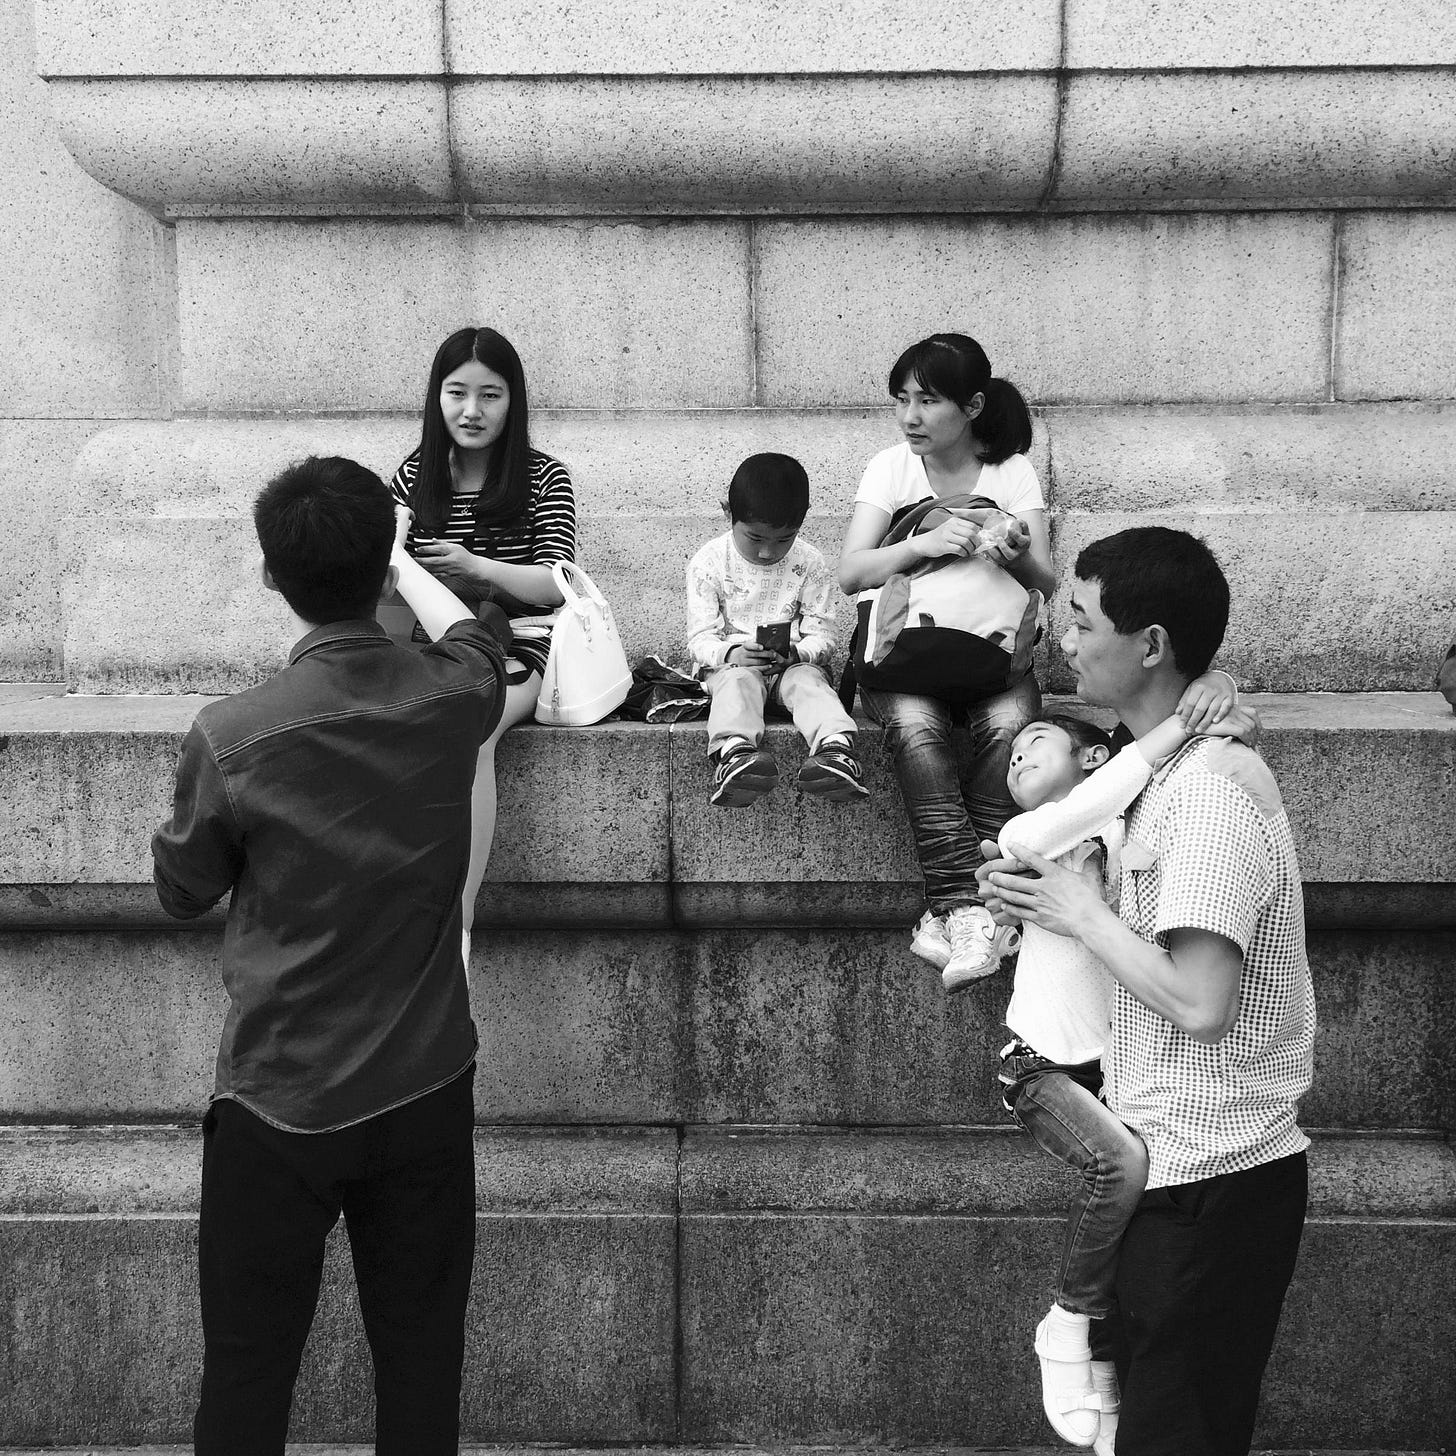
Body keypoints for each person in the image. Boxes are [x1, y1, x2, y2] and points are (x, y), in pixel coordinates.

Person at [151, 456, 513, 1454]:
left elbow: (181, 889)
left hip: (279, 1099)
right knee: (420, 1375)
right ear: (383, 568)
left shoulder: (233, 736)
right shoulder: (451, 698)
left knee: (248, 1375)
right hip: (425, 1084)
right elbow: (479, 637)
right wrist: (408, 565)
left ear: (271, 576)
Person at [982, 526, 1316, 1456]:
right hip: (1175, 1168)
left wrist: (1079, 910)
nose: (1066, 641)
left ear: (1152, 644)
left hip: (1214, 1179)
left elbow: (1201, 1005)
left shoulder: (1206, 793)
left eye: (1082, 621)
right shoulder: (1162, 776)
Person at [993, 682, 1250, 1449]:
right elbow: (1113, 782)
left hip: (1121, 1067)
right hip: (1037, 1067)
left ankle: (1105, 1376)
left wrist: (1218, 702)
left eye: (1037, 738)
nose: (1018, 752)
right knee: (1121, 1166)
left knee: (1140, 1223)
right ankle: (1066, 1320)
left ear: (1092, 753)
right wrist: (1179, 721)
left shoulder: (1142, 825)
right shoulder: (1026, 836)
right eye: (1011, 753)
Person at [838, 332, 1055, 987]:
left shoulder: (1011, 473)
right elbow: (851, 572)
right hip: (903, 655)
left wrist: (1007, 546)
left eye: (928, 401)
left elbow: (1044, 581)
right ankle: (974, 908)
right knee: (917, 728)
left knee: (1010, 729)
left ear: (973, 407)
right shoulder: (890, 468)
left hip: (991, 658)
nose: (910, 416)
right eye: (903, 399)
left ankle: (952, 918)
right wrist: (925, 542)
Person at [390, 324, 576, 965]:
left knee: (473, 730)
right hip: (429, 650)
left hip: (519, 646)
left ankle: (458, 929)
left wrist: (477, 568)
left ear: (512, 401)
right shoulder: (413, 477)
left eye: (490, 395)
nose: (472, 411)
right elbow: (386, 576)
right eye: (457, 393)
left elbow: (556, 586)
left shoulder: (545, 476)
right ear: (436, 398)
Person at [688, 451, 868, 806]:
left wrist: (798, 653)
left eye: (784, 539)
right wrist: (732, 653)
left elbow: (824, 634)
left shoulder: (810, 562)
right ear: (728, 513)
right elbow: (699, 638)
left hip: (792, 667)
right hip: (732, 668)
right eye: (755, 538)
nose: (769, 552)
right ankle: (734, 754)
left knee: (809, 682)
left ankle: (835, 750)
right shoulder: (709, 561)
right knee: (738, 682)